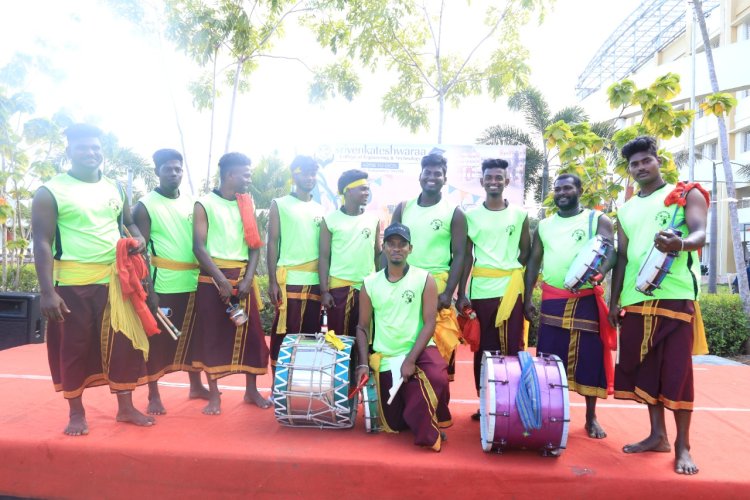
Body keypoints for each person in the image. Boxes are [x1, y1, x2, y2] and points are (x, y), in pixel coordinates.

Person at [32, 123, 153, 435]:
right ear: (69, 151)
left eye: (96, 148)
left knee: (123, 344)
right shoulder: (50, 192)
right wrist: (47, 292)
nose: (91, 153)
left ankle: (125, 408)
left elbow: (127, 223)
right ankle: (76, 412)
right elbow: (42, 242)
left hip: (115, 279)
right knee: (74, 346)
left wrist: (137, 238)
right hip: (72, 283)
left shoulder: (114, 187)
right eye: (84, 147)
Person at [608, 136, 708, 475]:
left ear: (658, 160)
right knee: (645, 368)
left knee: (677, 372)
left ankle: (683, 446)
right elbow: (621, 257)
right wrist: (613, 300)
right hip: (636, 299)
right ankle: (657, 436)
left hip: (675, 294)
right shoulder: (626, 208)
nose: (640, 168)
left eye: (645, 161)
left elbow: (699, 234)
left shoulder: (685, 193)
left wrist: (680, 243)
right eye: (634, 164)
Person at [524, 173, 617, 439]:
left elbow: (610, 251)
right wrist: (528, 296)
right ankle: (549, 415)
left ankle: (591, 418)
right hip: (553, 298)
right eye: (558, 189)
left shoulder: (597, 219)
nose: (562, 192)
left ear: (579, 190)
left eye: (567, 188)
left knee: (589, 358)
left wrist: (599, 274)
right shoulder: (544, 225)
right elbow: (534, 261)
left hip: (585, 298)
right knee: (549, 359)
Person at [355, 222, 451, 451]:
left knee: (437, 377)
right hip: (387, 355)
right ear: (384, 248)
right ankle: (420, 415)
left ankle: (429, 425)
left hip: (420, 349)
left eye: (402, 244)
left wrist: (409, 360)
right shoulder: (370, 284)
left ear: (410, 248)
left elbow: (430, 322)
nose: (397, 248)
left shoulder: (424, 278)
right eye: (391, 244)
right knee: (396, 422)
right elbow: (362, 327)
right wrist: (362, 364)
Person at [191, 152, 270, 415]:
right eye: (246, 174)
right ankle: (215, 396)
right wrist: (221, 280)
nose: (249, 178)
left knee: (252, 336)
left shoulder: (246, 203)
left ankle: (251, 391)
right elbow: (199, 248)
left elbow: (255, 246)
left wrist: (248, 278)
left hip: (242, 279)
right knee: (212, 337)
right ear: (230, 175)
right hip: (212, 279)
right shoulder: (204, 203)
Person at [132, 148, 209, 415]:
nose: (174, 173)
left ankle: (196, 385)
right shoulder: (145, 206)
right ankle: (154, 394)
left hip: (195, 281)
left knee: (194, 338)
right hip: (163, 284)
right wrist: (148, 290)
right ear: (157, 172)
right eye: (168, 169)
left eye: (178, 168)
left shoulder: (192, 202)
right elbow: (140, 252)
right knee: (157, 341)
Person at [457, 158, 530, 421]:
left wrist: (511, 276)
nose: (494, 182)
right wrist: (461, 293)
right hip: (480, 292)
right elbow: (466, 257)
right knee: (484, 349)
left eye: (499, 177)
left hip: (510, 290)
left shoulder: (519, 215)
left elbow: (526, 252)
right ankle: (485, 402)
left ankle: (510, 404)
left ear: (507, 181)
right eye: (489, 177)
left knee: (511, 347)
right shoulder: (471, 216)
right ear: (482, 181)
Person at [391, 153, 467, 380]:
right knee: (402, 342)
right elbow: (390, 248)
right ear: (420, 176)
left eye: (438, 174)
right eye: (428, 173)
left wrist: (448, 292)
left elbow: (460, 255)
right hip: (404, 284)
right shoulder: (403, 208)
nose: (432, 177)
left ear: (445, 179)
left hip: (437, 287)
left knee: (439, 347)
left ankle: (438, 408)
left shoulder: (455, 212)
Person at [267, 155, 324, 366]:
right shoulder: (280, 204)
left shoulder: (321, 209)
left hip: (315, 281)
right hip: (289, 279)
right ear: (295, 175)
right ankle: (276, 385)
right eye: (305, 173)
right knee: (284, 332)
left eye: (313, 173)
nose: (310, 178)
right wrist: (272, 281)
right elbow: (272, 242)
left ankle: (300, 385)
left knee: (310, 332)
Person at [319, 169, 381, 337]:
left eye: (367, 188)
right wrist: (324, 291)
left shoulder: (373, 219)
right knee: (338, 339)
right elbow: (324, 258)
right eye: (362, 188)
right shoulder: (330, 220)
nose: (366, 192)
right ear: (347, 191)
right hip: (339, 290)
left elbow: (378, 255)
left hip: (368, 289)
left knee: (365, 338)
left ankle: (362, 364)